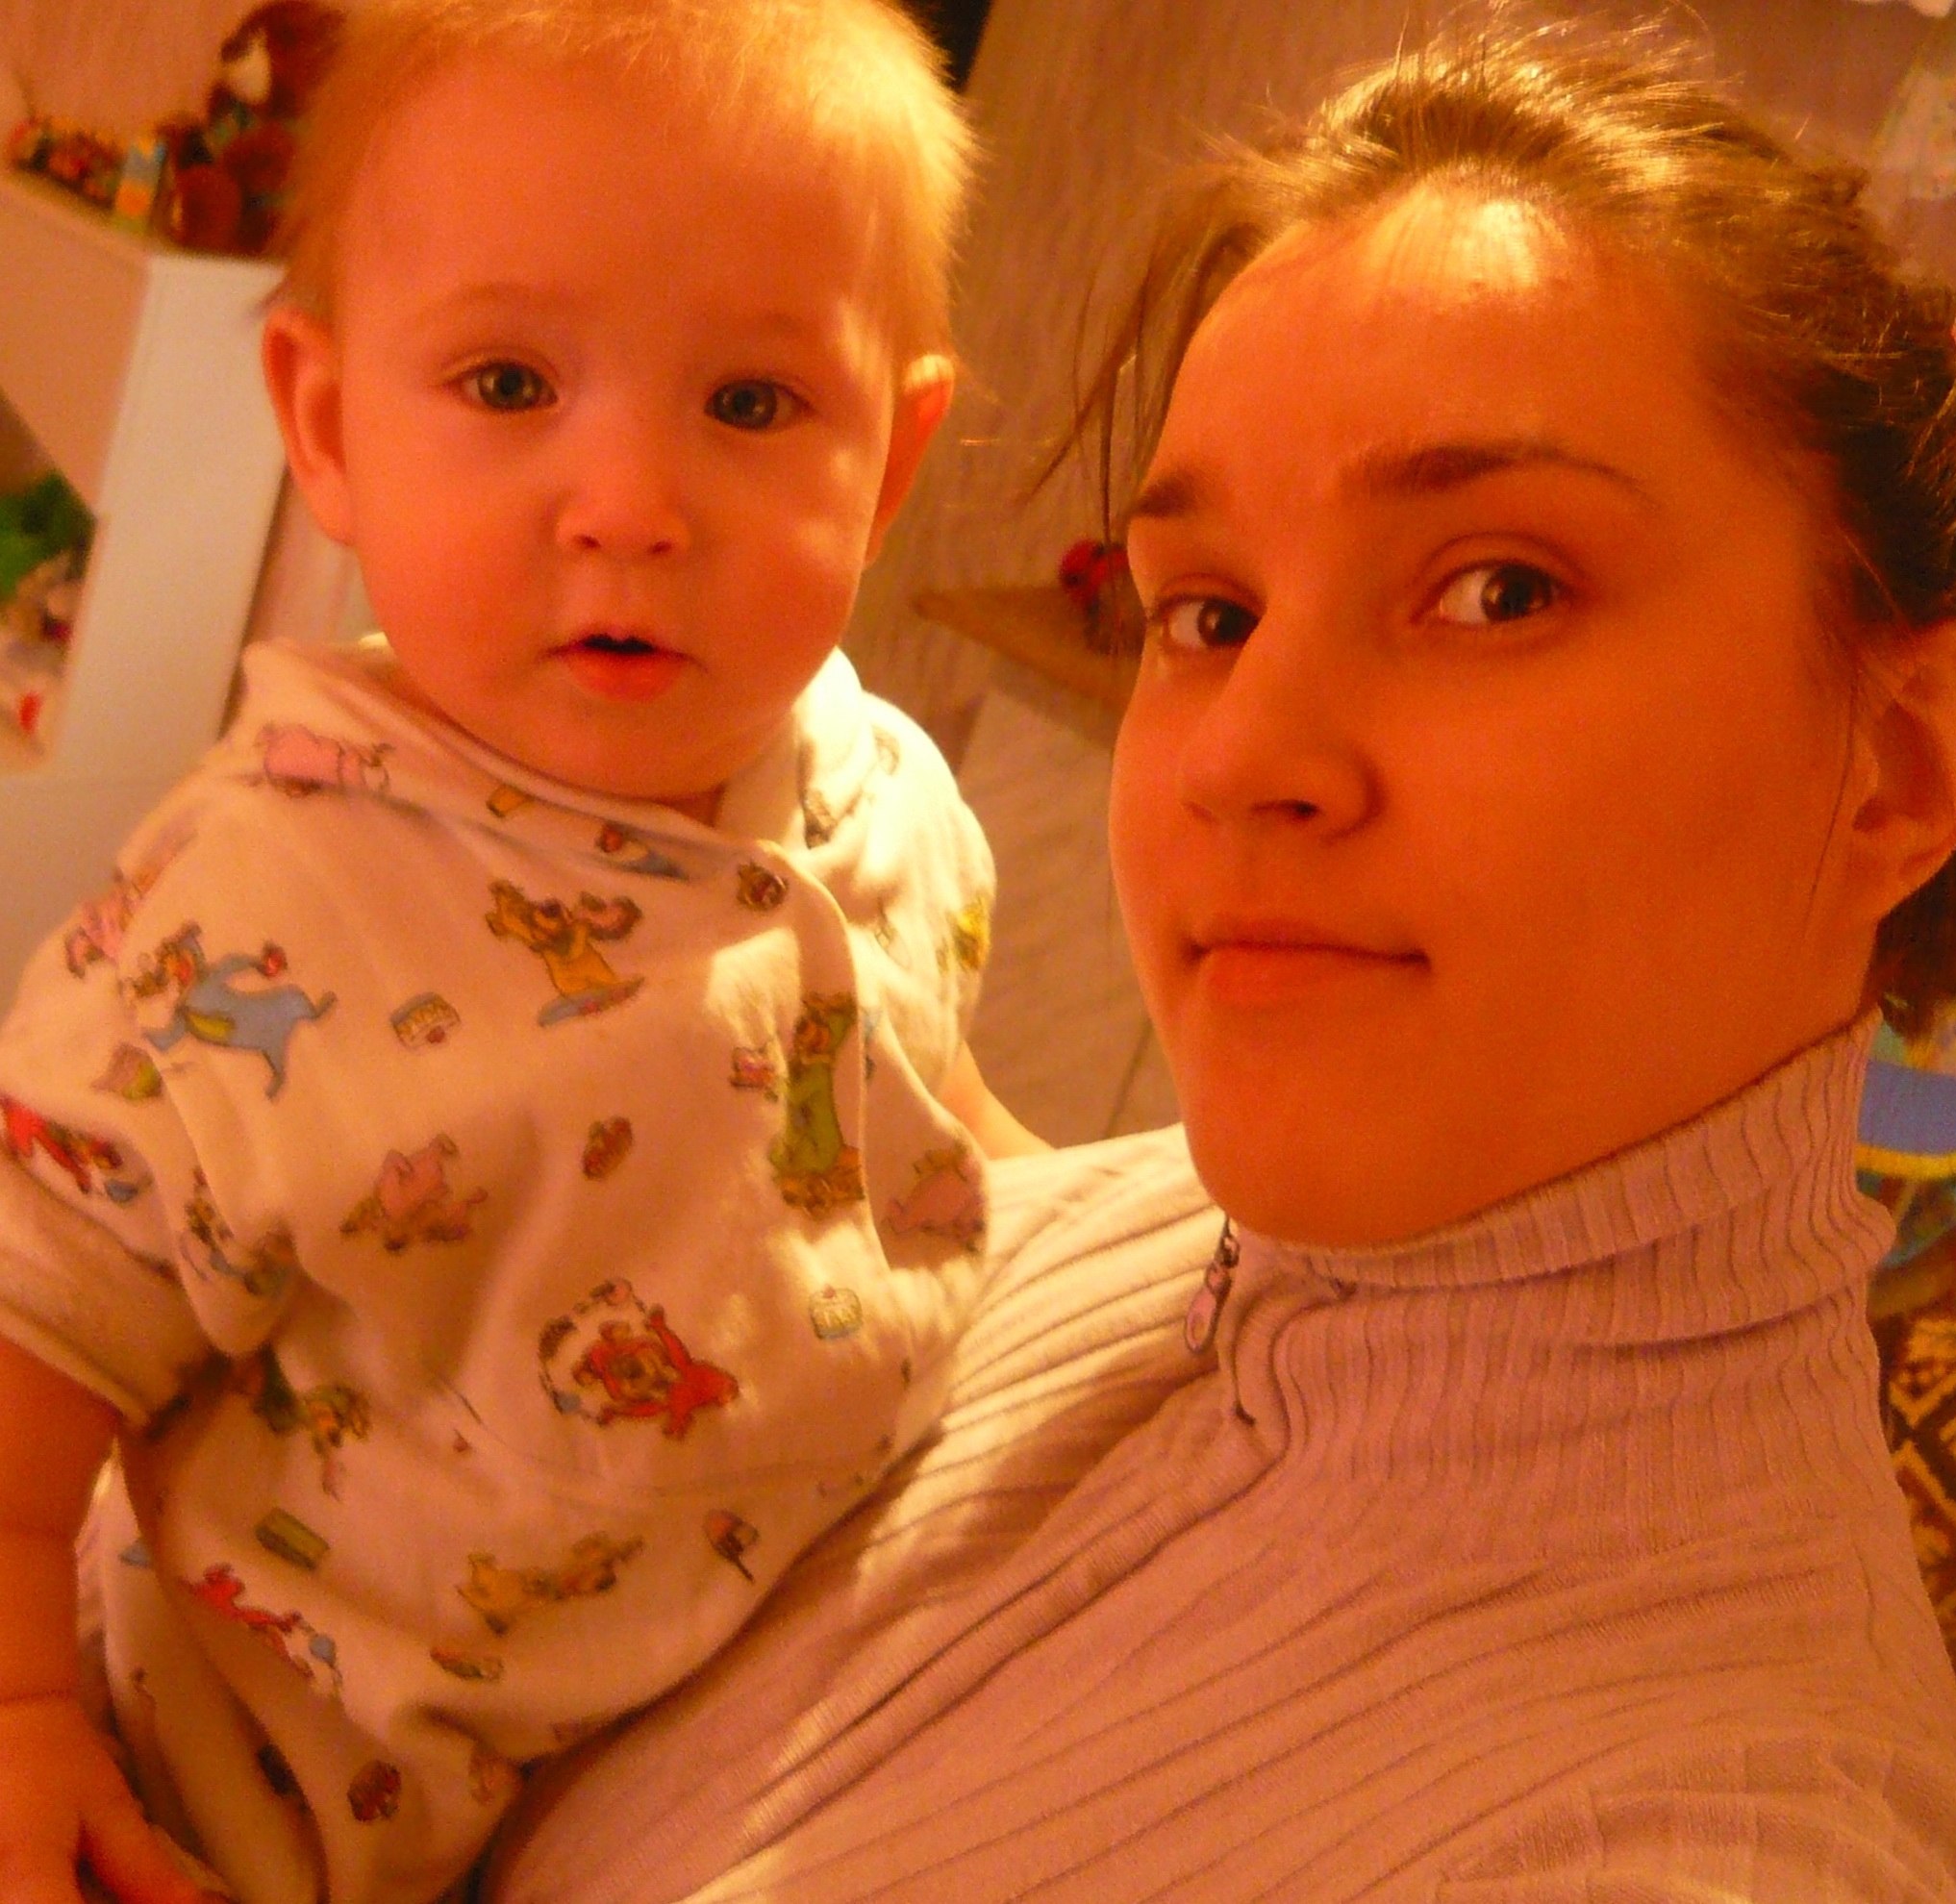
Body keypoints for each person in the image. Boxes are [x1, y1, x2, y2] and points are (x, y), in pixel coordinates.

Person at [473, 17, 1956, 1901]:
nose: (1240, 756)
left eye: (1498, 589)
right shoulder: (1090, 1241)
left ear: (1897, 764)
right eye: (1205, 613)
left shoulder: (1711, 1846)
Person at [0, 2, 1041, 1899]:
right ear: (330, 427)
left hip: (700, 1754)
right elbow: (27, 1313)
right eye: (506, 384)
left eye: (750, 406)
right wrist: (16, 1716)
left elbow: (930, 1092)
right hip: (228, 1792)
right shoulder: (260, 896)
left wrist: (1106, 1229)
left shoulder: (889, 795)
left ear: (887, 464)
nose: (631, 510)